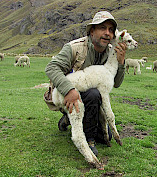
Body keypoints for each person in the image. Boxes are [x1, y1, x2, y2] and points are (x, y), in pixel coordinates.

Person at [45, 11, 127, 156]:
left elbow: (117, 84)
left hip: (92, 99)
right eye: (102, 28)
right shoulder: (74, 48)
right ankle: (89, 140)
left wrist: (121, 63)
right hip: (67, 94)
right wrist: (69, 90)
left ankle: (68, 121)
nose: (107, 33)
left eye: (111, 30)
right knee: (93, 93)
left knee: (105, 136)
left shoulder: (111, 52)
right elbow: (52, 68)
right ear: (92, 31)